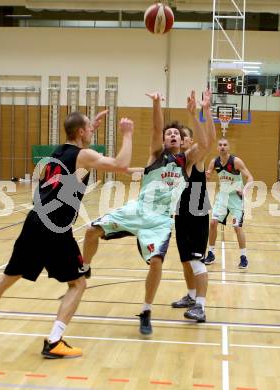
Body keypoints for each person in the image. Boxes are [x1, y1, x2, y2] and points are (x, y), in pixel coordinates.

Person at [0, 111, 134, 359]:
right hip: (55, 227)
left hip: (34, 221)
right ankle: (54, 341)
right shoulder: (83, 155)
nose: (93, 131)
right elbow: (120, 165)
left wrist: (89, 128)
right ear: (80, 132)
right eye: (89, 128)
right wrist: (127, 134)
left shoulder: (57, 154)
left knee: (10, 275)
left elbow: (78, 162)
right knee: (78, 283)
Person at [82, 91, 209, 335]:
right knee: (90, 231)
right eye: (168, 134)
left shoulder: (187, 161)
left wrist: (195, 116)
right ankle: (84, 266)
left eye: (176, 134)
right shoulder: (156, 155)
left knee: (156, 262)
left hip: (160, 220)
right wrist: (157, 103)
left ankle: (146, 310)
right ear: (163, 140)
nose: (172, 135)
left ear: (182, 141)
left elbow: (203, 144)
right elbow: (156, 128)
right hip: (137, 210)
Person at [171, 89, 216, 323]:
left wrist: (201, 113)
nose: (179, 137)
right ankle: (190, 296)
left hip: (197, 213)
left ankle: (200, 305)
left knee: (196, 260)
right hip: (181, 213)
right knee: (186, 259)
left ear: (188, 141)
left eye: (183, 135)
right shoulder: (172, 160)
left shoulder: (193, 158)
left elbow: (207, 141)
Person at [203, 138, 254, 269]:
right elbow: (207, 178)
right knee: (213, 223)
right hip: (223, 196)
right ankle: (211, 253)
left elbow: (250, 177)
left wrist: (244, 189)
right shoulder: (214, 162)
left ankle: (243, 256)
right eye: (220, 145)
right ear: (217, 148)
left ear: (229, 147)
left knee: (237, 227)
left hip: (236, 198)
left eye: (225, 145)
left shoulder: (236, 161)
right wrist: (206, 176)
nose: (222, 147)